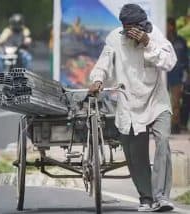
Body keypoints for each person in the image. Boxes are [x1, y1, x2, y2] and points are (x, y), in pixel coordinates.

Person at [88, 4, 177, 212]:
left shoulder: (153, 33)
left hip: (156, 100)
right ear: (125, 27)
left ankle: (162, 196)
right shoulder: (114, 38)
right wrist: (98, 80)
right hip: (129, 103)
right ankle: (147, 198)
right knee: (136, 154)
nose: (137, 32)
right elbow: (104, 63)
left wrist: (148, 43)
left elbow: (169, 61)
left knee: (163, 141)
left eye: (141, 28)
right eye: (133, 29)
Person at [166, 18, 189, 134]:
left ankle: (175, 126)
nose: (168, 28)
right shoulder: (162, 40)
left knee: (175, 102)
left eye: (169, 25)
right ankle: (164, 126)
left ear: (173, 26)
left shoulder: (181, 41)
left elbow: (185, 59)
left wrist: (185, 74)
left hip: (177, 76)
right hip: (163, 76)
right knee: (163, 102)